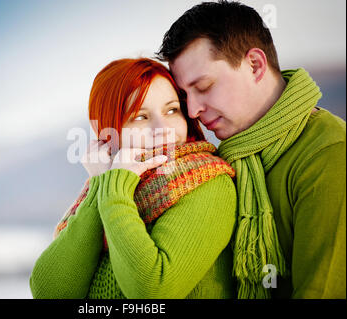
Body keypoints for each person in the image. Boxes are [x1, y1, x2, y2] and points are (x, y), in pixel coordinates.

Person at [157, 0, 346, 299]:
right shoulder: (222, 164)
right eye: (184, 96)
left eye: (204, 86)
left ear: (255, 65)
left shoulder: (330, 152)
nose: (192, 110)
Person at [30, 58, 238, 299]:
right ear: (109, 132)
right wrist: (102, 184)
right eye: (140, 117)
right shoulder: (106, 188)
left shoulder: (208, 182)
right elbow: (50, 292)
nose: (163, 128)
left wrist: (114, 191)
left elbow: (152, 292)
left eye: (172, 110)